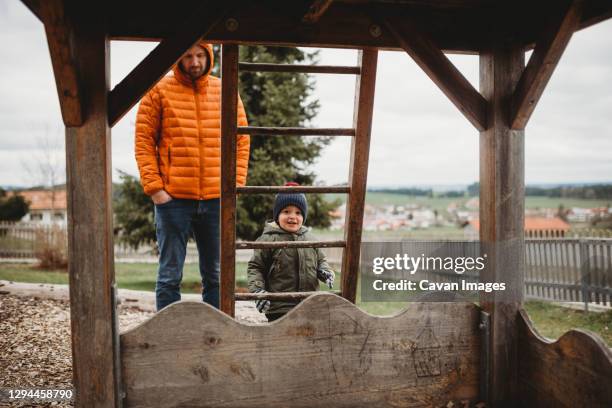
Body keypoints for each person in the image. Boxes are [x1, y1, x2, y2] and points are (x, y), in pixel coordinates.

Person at [135, 40, 250, 311]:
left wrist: (235, 185)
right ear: (179, 58)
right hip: (173, 200)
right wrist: (155, 189)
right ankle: (167, 334)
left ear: (209, 56)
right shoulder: (159, 90)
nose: (195, 62)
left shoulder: (225, 90)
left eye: (200, 55)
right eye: (188, 56)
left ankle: (217, 334)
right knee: (169, 276)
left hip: (215, 200)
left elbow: (242, 140)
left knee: (216, 275)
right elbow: (143, 141)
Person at [247, 183, 335, 322]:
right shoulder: (268, 239)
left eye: (298, 212)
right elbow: (256, 267)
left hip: (309, 303)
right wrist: (259, 292)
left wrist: (325, 271)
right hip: (280, 307)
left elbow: (320, 260)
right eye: (286, 211)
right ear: (277, 215)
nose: (292, 217)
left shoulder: (310, 239)